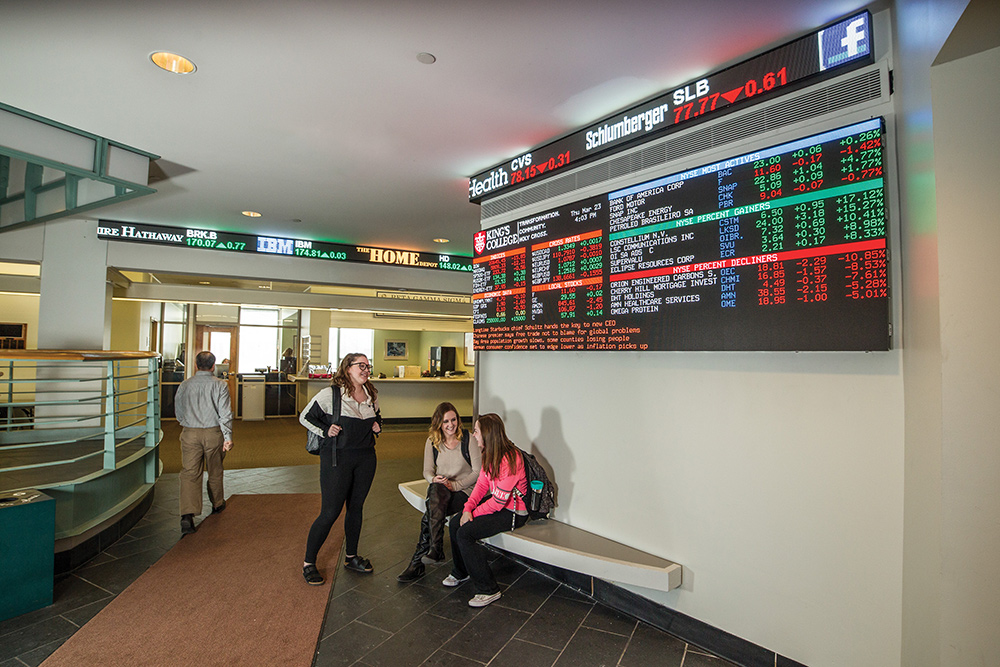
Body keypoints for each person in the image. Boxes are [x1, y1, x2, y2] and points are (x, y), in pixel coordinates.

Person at [299, 352, 381, 585]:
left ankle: (351, 557)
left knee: (356, 508)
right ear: (347, 368)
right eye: (361, 365)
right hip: (337, 459)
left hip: (365, 458)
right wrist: (326, 430)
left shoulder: (371, 394)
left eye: (368, 366)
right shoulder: (330, 394)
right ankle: (308, 563)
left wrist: (378, 426)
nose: (366, 369)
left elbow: (378, 419)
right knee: (330, 512)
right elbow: (305, 417)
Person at [443, 413, 528, 607]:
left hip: (514, 511)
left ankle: (489, 589)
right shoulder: (489, 453)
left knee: (465, 533)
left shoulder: (511, 459)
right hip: (500, 503)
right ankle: (461, 571)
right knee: (455, 522)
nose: (473, 436)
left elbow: (498, 503)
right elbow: (482, 486)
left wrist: (471, 514)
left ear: (487, 434)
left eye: (476, 431)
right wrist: (467, 508)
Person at [397, 402, 481, 582]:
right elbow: (427, 471)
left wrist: (455, 486)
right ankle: (434, 549)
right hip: (442, 489)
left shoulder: (468, 439)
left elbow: (477, 472)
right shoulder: (432, 442)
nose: (451, 425)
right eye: (445, 422)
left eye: (453, 420)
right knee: (435, 491)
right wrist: (433, 479)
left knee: (431, 512)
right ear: (438, 424)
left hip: (465, 490)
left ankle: (422, 559)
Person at [174, 351, 234, 535]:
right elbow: (225, 414)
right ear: (214, 366)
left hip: (190, 433)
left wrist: (188, 423)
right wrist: (227, 436)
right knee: (215, 469)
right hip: (213, 433)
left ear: (195, 364)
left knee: (190, 473)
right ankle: (217, 504)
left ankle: (187, 514)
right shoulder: (220, 386)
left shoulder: (185, 385)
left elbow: (179, 410)